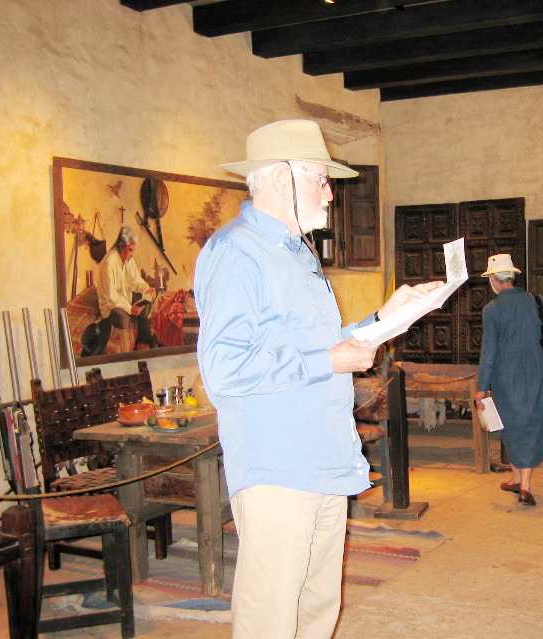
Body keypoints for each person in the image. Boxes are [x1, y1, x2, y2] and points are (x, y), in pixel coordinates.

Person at [194, 119, 442, 639]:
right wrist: (328, 360)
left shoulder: (298, 250)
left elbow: (318, 343)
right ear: (283, 176)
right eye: (320, 179)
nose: (331, 193)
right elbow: (225, 368)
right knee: (271, 619)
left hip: (323, 455)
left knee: (316, 610)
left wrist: (383, 319)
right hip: (277, 464)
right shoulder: (236, 251)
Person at [473, 253, 543, 507]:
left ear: (495, 281)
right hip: (534, 369)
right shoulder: (538, 301)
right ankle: (523, 483)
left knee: (510, 424)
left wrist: (481, 388)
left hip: (505, 373)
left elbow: (488, 351)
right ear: (512, 276)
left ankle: (520, 481)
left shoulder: (492, 309)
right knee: (532, 422)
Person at [81, 225, 156, 356]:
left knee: (149, 299)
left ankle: (143, 340)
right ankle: (134, 315)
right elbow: (111, 298)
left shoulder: (128, 259)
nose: (131, 255)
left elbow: (136, 281)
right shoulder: (109, 263)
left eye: (133, 251)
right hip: (111, 306)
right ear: (121, 246)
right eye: (130, 250)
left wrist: (147, 289)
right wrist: (130, 308)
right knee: (123, 321)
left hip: (125, 300)